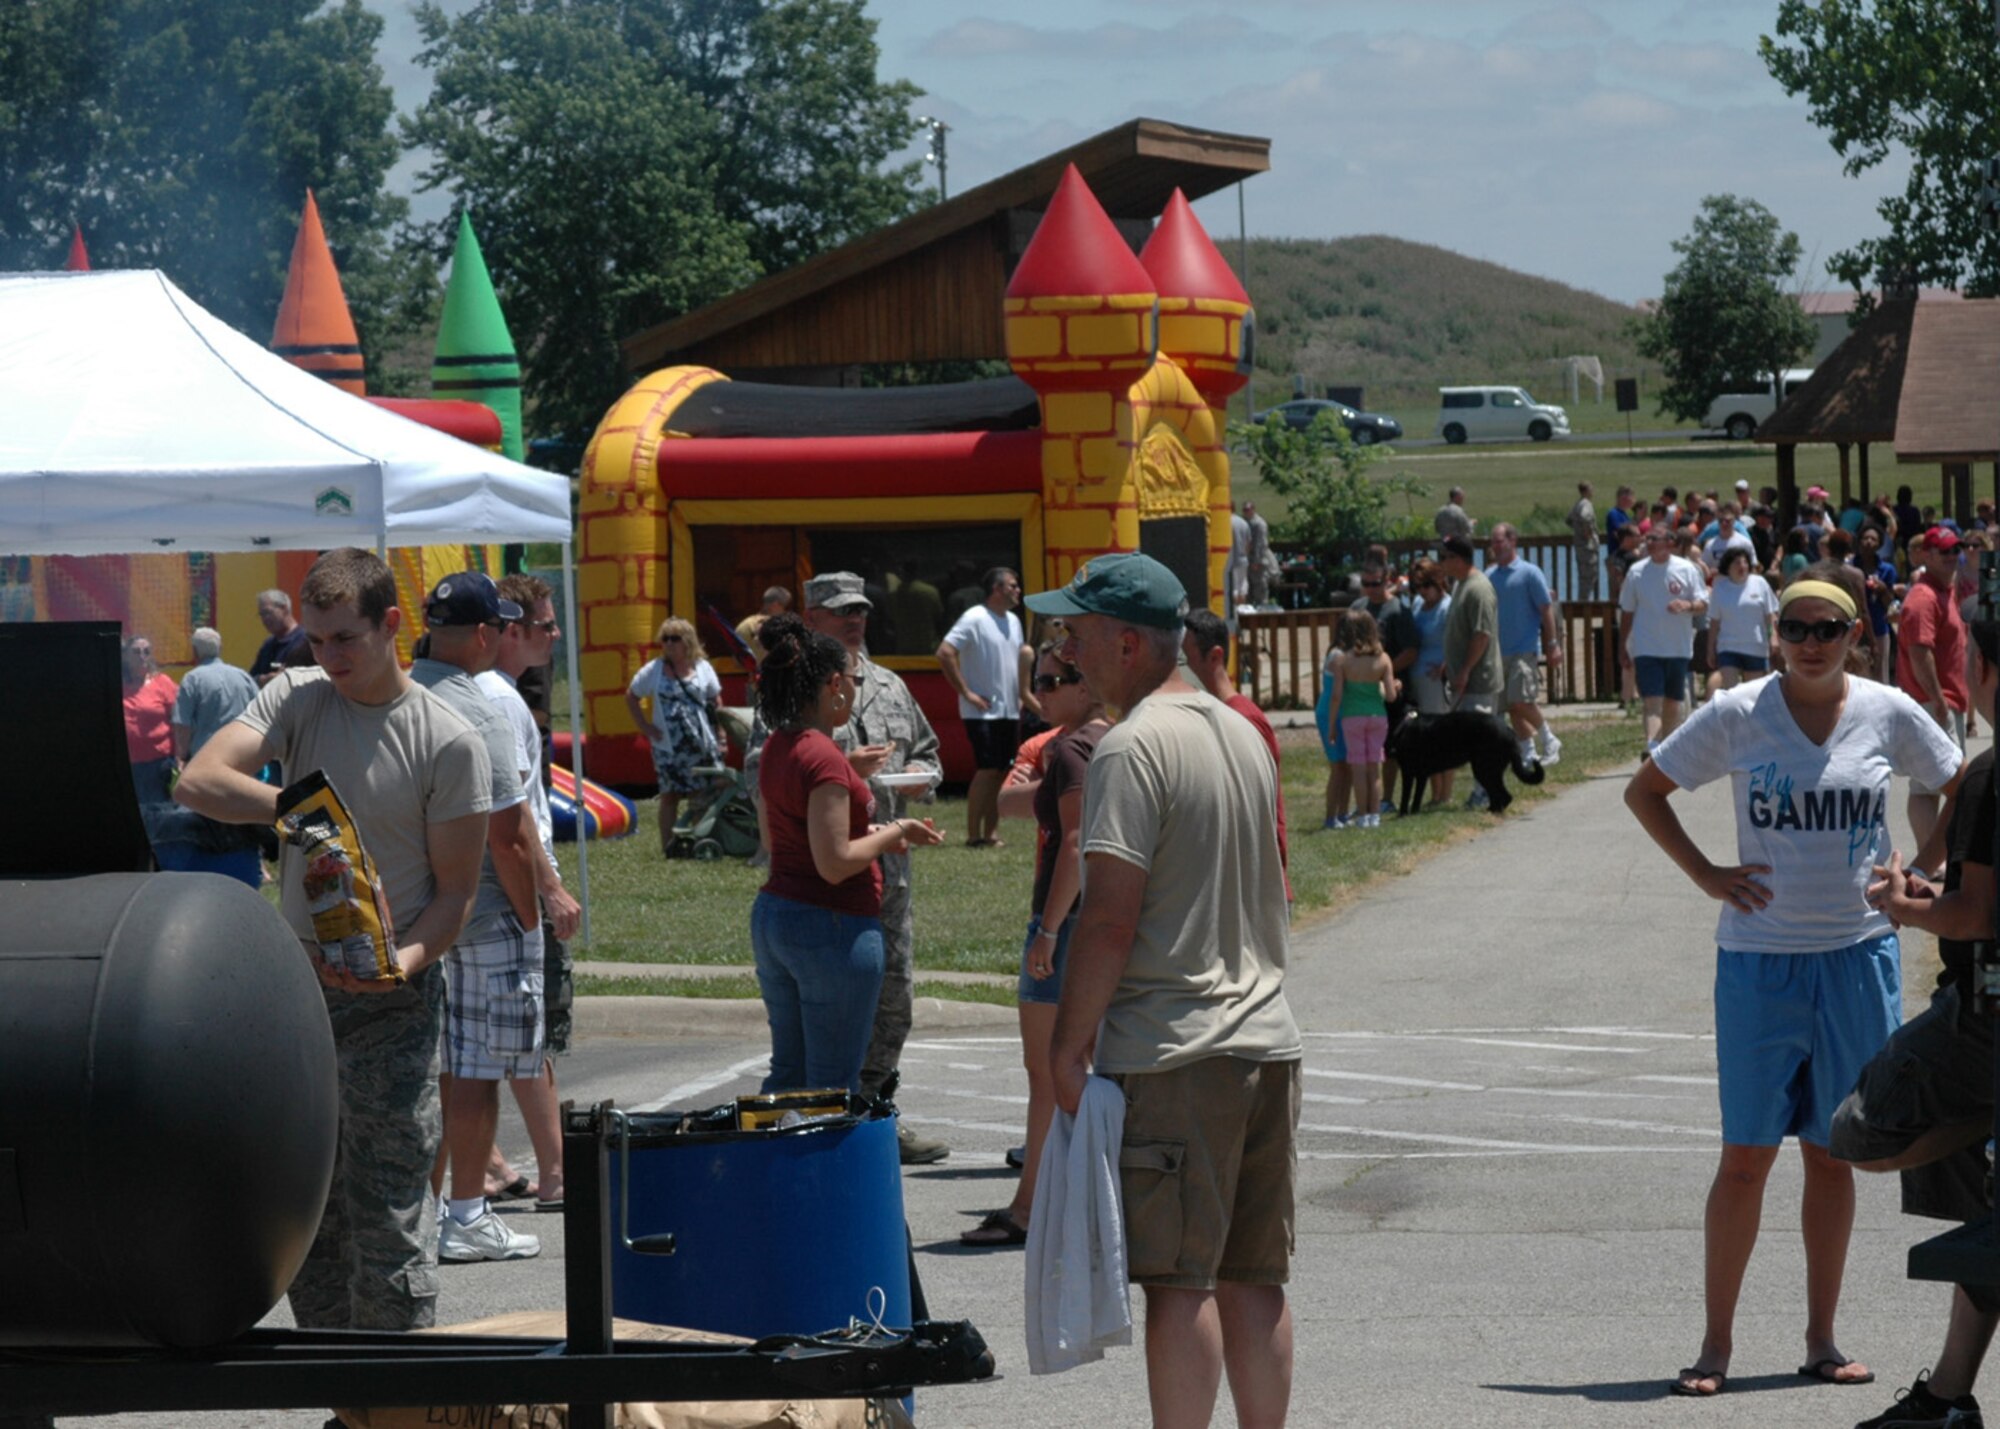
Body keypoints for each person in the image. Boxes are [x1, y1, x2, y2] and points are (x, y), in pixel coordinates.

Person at [1624, 561, 1963, 1399]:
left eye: (1829, 629)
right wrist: (1708, 874)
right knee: (1745, 1157)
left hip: (1857, 957)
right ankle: (1714, 1345)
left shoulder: (1888, 711)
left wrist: (1920, 874)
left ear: (1856, 635)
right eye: (1796, 629)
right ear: (1775, 634)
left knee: (1832, 1153)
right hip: (1760, 962)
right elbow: (1647, 789)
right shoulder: (1740, 713)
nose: (1812, 644)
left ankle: (1821, 1337)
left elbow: (1962, 784)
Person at [174, 546, 491, 1331]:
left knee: (385, 1217)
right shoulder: (299, 695)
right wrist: (297, 809)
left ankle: (395, 1401)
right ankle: (345, 1401)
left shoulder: (446, 739)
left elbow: (454, 898)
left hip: (394, 1004)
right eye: (315, 640)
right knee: (306, 1218)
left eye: (345, 638)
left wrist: (399, 966)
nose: (328, 657)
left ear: (392, 624)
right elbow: (198, 780)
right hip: (297, 994)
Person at [1027, 552, 1302, 1429]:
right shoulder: (1240, 730)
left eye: (1077, 631)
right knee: (1255, 1275)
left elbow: (1108, 918)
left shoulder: (1129, 747)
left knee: (1180, 1285)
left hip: (1177, 1048)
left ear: (1130, 641)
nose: (1066, 648)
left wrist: (1068, 1047)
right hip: (1267, 1036)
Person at [1835, 616, 2000, 1429]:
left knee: (1861, 1129)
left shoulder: (1996, 777)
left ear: (1986, 670)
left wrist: (1909, 905)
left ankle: (1986, 1120)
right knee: (1993, 1215)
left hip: (1986, 1023)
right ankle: (1946, 1398)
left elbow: (1974, 915)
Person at [409, 571, 547, 1265]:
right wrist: (532, 917)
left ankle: (419, 1216)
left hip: (416, 912)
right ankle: (465, 1213)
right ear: (489, 632)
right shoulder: (481, 705)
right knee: (477, 1069)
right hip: (486, 912)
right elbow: (510, 834)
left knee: (430, 1071)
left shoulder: (400, 693)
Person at [752, 614, 944, 1093]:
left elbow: (780, 839)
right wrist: (899, 828)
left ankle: (770, 1170)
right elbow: (835, 863)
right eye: (852, 682)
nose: (855, 691)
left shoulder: (780, 744)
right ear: (834, 684)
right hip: (831, 926)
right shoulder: (823, 756)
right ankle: (823, 1171)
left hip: (778, 914)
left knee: (789, 1075)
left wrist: (870, 823)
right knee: (834, 1085)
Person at [964, 641, 1111, 1247]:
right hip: (1102, 921)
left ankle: (1031, 1209)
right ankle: (1080, 1199)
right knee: (1086, 1068)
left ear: (1084, 686)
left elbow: (1073, 845)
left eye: (1050, 683)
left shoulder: (1074, 748)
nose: (1040, 694)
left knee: (1051, 1071)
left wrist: (1047, 930)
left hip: (1069, 922)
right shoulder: (1111, 740)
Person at [801, 571, 949, 1165]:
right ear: (813, 618)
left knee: (894, 1003)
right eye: (840, 611)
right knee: (832, 1006)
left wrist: (921, 779)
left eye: (860, 610)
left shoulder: (889, 685)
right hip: (826, 877)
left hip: (891, 879)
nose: (854, 619)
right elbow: (766, 767)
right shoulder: (794, 689)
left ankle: (877, 1115)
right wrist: (845, 766)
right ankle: (826, 1124)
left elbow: (930, 753)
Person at [478, 573, 583, 1214]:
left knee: (475, 1039)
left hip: (498, 882)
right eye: (546, 625)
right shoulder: (500, 699)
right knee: (528, 1030)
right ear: (510, 630)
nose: (555, 634)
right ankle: (558, 1173)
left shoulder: (495, 691)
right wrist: (547, 891)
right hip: (511, 886)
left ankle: (487, 1163)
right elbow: (511, 815)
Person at [1183, 608, 1290, 889]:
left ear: (1215, 656)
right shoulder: (1211, 714)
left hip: (1255, 884)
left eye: (1185, 657)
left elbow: (1256, 806)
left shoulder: (1243, 718)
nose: (1179, 668)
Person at [936, 566, 1026, 848]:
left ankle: (991, 833)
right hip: (982, 711)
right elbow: (945, 652)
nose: (1017, 590)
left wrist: (1022, 694)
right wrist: (967, 693)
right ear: (997, 589)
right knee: (987, 769)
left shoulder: (1013, 621)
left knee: (1002, 771)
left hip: (1009, 710)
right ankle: (973, 835)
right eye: (1012, 585)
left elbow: (1018, 662)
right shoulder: (974, 617)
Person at [625, 616, 723, 856]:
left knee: (701, 795)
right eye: (665, 639)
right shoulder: (655, 669)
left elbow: (715, 702)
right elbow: (632, 695)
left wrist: (721, 736)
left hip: (700, 743)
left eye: (674, 639)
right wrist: (646, 727)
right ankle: (669, 846)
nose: (668, 644)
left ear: (687, 641)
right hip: (668, 745)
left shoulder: (702, 668)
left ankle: (701, 843)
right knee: (670, 796)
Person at [1899, 528, 1970, 855]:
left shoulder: (1944, 589)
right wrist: (1939, 701)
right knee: (1947, 786)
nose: (1952, 557)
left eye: (1956, 550)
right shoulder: (1923, 596)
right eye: (1944, 552)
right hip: (1931, 704)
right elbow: (1919, 651)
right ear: (1926, 555)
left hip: (1944, 702)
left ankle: (1934, 859)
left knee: (1934, 786)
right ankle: (1934, 860)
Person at [1619, 527, 1707, 756]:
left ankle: (1667, 748)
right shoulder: (1636, 572)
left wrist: (1686, 606)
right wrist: (1622, 646)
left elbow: (1702, 603)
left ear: (1669, 542)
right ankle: (1652, 747)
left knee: (1672, 701)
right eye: (1647, 539)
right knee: (1652, 701)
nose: (1649, 543)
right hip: (1646, 647)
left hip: (1677, 647)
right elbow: (1627, 612)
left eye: (1654, 539)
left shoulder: (1686, 569)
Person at [1486, 523, 1562, 767]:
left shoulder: (1530, 573)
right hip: (1497, 652)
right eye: (1493, 542)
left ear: (1512, 541)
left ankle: (1549, 739)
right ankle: (1527, 752)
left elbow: (1546, 609)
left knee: (1521, 700)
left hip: (1524, 648)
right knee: (1511, 706)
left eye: (1499, 541)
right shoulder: (1488, 576)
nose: (1495, 547)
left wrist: (1552, 643)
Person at [1357, 563, 1421, 813]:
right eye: (1366, 584)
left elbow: (1412, 650)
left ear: (1387, 582)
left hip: (1392, 689)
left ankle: (1387, 798)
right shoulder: (1358, 609)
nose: (1371, 589)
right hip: (1361, 691)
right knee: (1362, 747)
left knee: (1390, 746)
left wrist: (1385, 672)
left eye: (1376, 584)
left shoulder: (1398, 611)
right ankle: (1364, 802)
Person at [1327, 608, 1398, 830]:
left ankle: (1362, 814)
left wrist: (1331, 726)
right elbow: (1390, 696)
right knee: (1373, 768)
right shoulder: (1383, 658)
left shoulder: (1343, 661)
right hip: (1377, 717)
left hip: (1352, 717)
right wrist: (1395, 686)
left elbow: (1337, 695)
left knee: (1358, 768)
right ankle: (1375, 814)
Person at [1407, 558, 1458, 806]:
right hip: (1418, 679)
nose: (1423, 591)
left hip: (1437, 681)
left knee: (1442, 738)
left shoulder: (1448, 607)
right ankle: (1434, 793)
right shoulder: (1417, 604)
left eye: (1427, 585)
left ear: (1439, 582)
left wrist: (1447, 665)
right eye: (1418, 586)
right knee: (1426, 740)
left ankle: (1445, 794)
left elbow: (1459, 640)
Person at [172, 626, 258, 762]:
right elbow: (259, 714)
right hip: (242, 754)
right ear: (220, 649)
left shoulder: (192, 679)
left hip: (206, 756)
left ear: (195, 651)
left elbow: (183, 724)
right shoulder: (243, 676)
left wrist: (181, 757)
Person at [1705, 546, 1779, 693]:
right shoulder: (1720, 588)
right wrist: (1710, 649)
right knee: (1731, 691)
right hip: (1728, 646)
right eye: (1737, 563)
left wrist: (1774, 637)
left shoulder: (1760, 583)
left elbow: (1770, 615)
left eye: (1745, 562)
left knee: (1753, 693)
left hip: (1755, 645)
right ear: (1728, 567)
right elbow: (1715, 622)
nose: (1742, 566)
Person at [120, 634, 178, 805]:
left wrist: (180, 757)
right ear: (126, 657)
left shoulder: (162, 682)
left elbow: (179, 721)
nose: (142, 656)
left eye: (146, 652)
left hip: (158, 764)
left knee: (159, 815)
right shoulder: (118, 683)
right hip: (129, 764)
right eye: (136, 652)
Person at [250, 588, 311, 685]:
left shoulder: (305, 642)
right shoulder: (268, 645)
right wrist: (264, 679)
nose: (265, 619)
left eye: (268, 612)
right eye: (261, 614)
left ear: (285, 609)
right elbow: (250, 680)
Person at [735, 586, 790, 664]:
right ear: (775, 605)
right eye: (785, 607)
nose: (785, 612)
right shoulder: (776, 626)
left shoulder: (744, 624)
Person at [1568, 481, 1599, 598]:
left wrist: (1577, 530)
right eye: (1591, 489)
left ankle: (1582, 603)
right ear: (1586, 491)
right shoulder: (1586, 504)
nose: (1593, 492)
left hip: (1579, 546)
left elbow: (1569, 519)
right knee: (1589, 577)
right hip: (1587, 547)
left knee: (1583, 577)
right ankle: (1583, 605)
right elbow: (1585, 517)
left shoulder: (1578, 503)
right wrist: (1587, 533)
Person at [1244, 500, 1273, 606]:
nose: (1246, 512)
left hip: (1258, 562)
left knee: (1260, 587)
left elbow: (1260, 544)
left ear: (1253, 510)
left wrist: (1256, 561)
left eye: (1248, 509)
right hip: (1248, 561)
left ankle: (1263, 611)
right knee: (1250, 590)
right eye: (1244, 510)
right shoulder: (1247, 523)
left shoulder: (1259, 524)